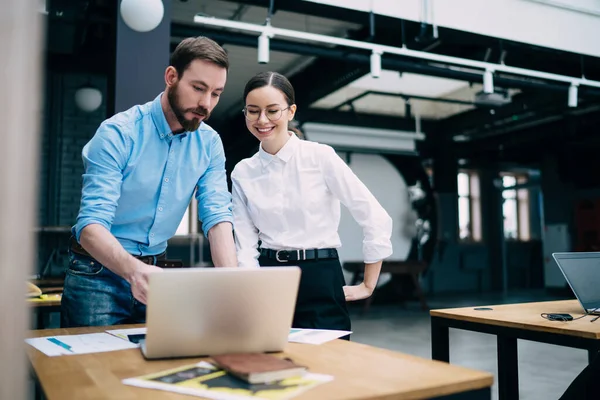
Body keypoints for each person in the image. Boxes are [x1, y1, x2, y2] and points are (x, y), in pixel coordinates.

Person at [61, 37, 238, 328]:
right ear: (171, 77)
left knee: (156, 370)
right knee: (93, 372)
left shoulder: (209, 143)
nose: (206, 104)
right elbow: (90, 227)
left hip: (157, 275)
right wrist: (134, 271)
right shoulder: (119, 133)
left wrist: (233, 284)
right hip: (97, 275)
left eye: (216, 93)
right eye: (198, 88)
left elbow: (218, 217)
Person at [231, 71, 393, 334]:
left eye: (273, 111)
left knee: (330, 365)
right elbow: (245, 243)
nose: (262, 120)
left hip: (320, 276)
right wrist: (252, 289)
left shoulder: (320, 157)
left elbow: (374, 215)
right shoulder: (242, 172)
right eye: (253, 111)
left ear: (291, 111)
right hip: (269, 278)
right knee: (272, 366)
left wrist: (368, 285)